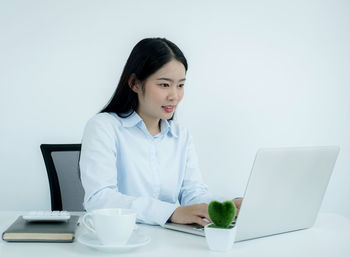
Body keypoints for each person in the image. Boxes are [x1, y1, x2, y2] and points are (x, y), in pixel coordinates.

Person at [79, 37, 242, 227]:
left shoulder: (181, 135)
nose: (174, 96)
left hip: (169, 240)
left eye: (180, 85)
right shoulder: (103, 127)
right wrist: (171, 212)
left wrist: (227, 205)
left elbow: (193, 193)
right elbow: (100, 198)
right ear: (135, 83)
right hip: (121, 239)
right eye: (164, 84)